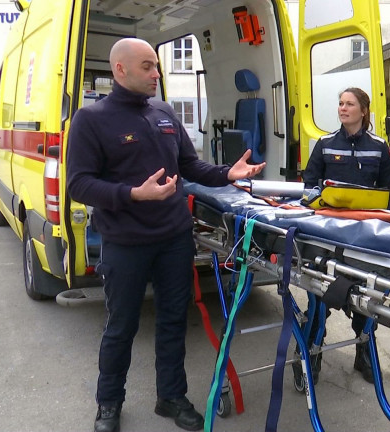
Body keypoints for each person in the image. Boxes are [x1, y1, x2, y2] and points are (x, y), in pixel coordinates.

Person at [66, 38, 265, 432]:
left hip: (174, 238)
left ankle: (170, 397)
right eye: (147, 67)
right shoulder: (91, 120)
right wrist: (131, 194)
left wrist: (227, 173)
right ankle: (109, 404)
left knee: (174, 320)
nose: (157, 74)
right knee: (121, 326)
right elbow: (79, 184)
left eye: (157, 66)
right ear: (120, 69)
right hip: (125, 243)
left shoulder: (163, 112)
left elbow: (189, 166)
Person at [302, 87, 390, 383]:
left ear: (363, 110)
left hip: (364, 237)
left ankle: (364, 354)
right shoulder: (325, 144)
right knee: (319, 298)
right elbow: (308, 186)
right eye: (340, 103)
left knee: (366, 298)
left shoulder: (380, 147)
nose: (342, 108)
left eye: (349, 104)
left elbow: (388, 197)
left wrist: (382, 235)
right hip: (328, 237)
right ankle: (311, 353)